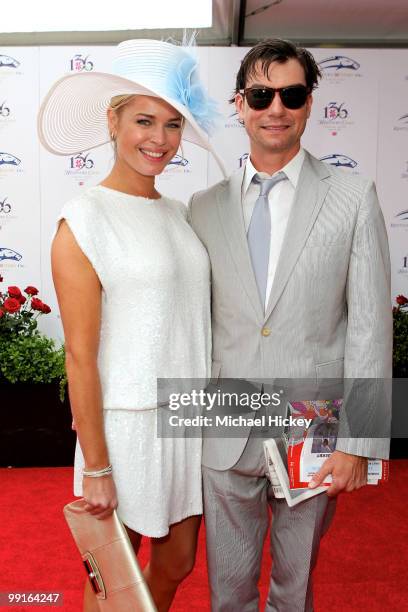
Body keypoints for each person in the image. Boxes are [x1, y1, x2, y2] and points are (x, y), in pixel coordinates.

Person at [189, 39, 392, 611]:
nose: (275, 107)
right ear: (240, 105)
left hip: (314, 428)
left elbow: (371, 327)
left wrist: (360, 442)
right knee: (226, 590)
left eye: (292, 93)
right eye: (261, 94)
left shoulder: (353, 197)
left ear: (309, 104)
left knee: (294, 586)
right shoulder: (203, 207)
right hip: (223, 429)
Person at [38, 38, 225, 612]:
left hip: (186, 418)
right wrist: (97, 466)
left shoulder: (177, 211)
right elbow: (79, 356)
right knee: (114, 576)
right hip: (127, 429)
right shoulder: (83, 220)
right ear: (113, 120)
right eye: (144, 120)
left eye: (172, 125)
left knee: (177, 563)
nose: (159, 140)